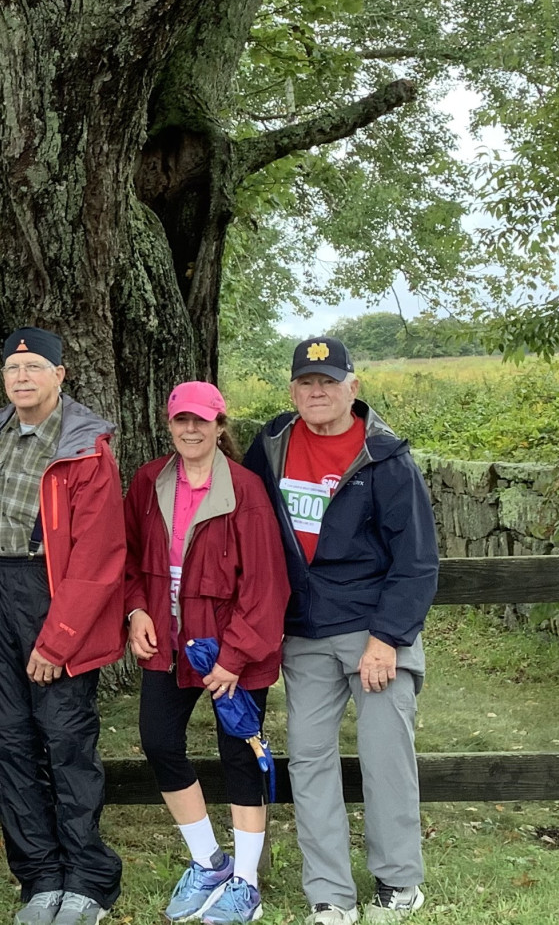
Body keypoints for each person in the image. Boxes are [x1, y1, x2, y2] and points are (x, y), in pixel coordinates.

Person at [244, 337, 438, 925]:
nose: (317, 392)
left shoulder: (385, 457)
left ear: (353, 386)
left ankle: (398, 882)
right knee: (308, 761)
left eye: (328, 381)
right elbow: (246, 525)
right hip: (303, 633)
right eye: (306, 382)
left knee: (385, 760)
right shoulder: (271, 446)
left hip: (372, 633)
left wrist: (388, 638)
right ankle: (330, 893)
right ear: (292, 391)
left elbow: (416, 560)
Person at [0, 327, 126, 925]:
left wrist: (59, 639)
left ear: (59, 375)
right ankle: (39, 876)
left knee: (65, 738)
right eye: (14, 369)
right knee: (7, 738)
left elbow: (99, 555)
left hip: (54, 591)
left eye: (35, 367)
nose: (22, 378)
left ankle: (87, 877)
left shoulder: (85, 448)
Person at [123, 381, 289, 924]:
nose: (190, 429)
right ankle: (209, 862)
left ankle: (246, 882)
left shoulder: (245, 490)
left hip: (232, 647)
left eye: (201, 420)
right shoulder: (150, 481)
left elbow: (266, 585)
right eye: (181, 420)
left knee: (239, 754)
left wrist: (234, 657)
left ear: (220, 426)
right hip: (172, 644)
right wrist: (136, 610)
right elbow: (128, 556)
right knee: (158, 740)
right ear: (169, 425)